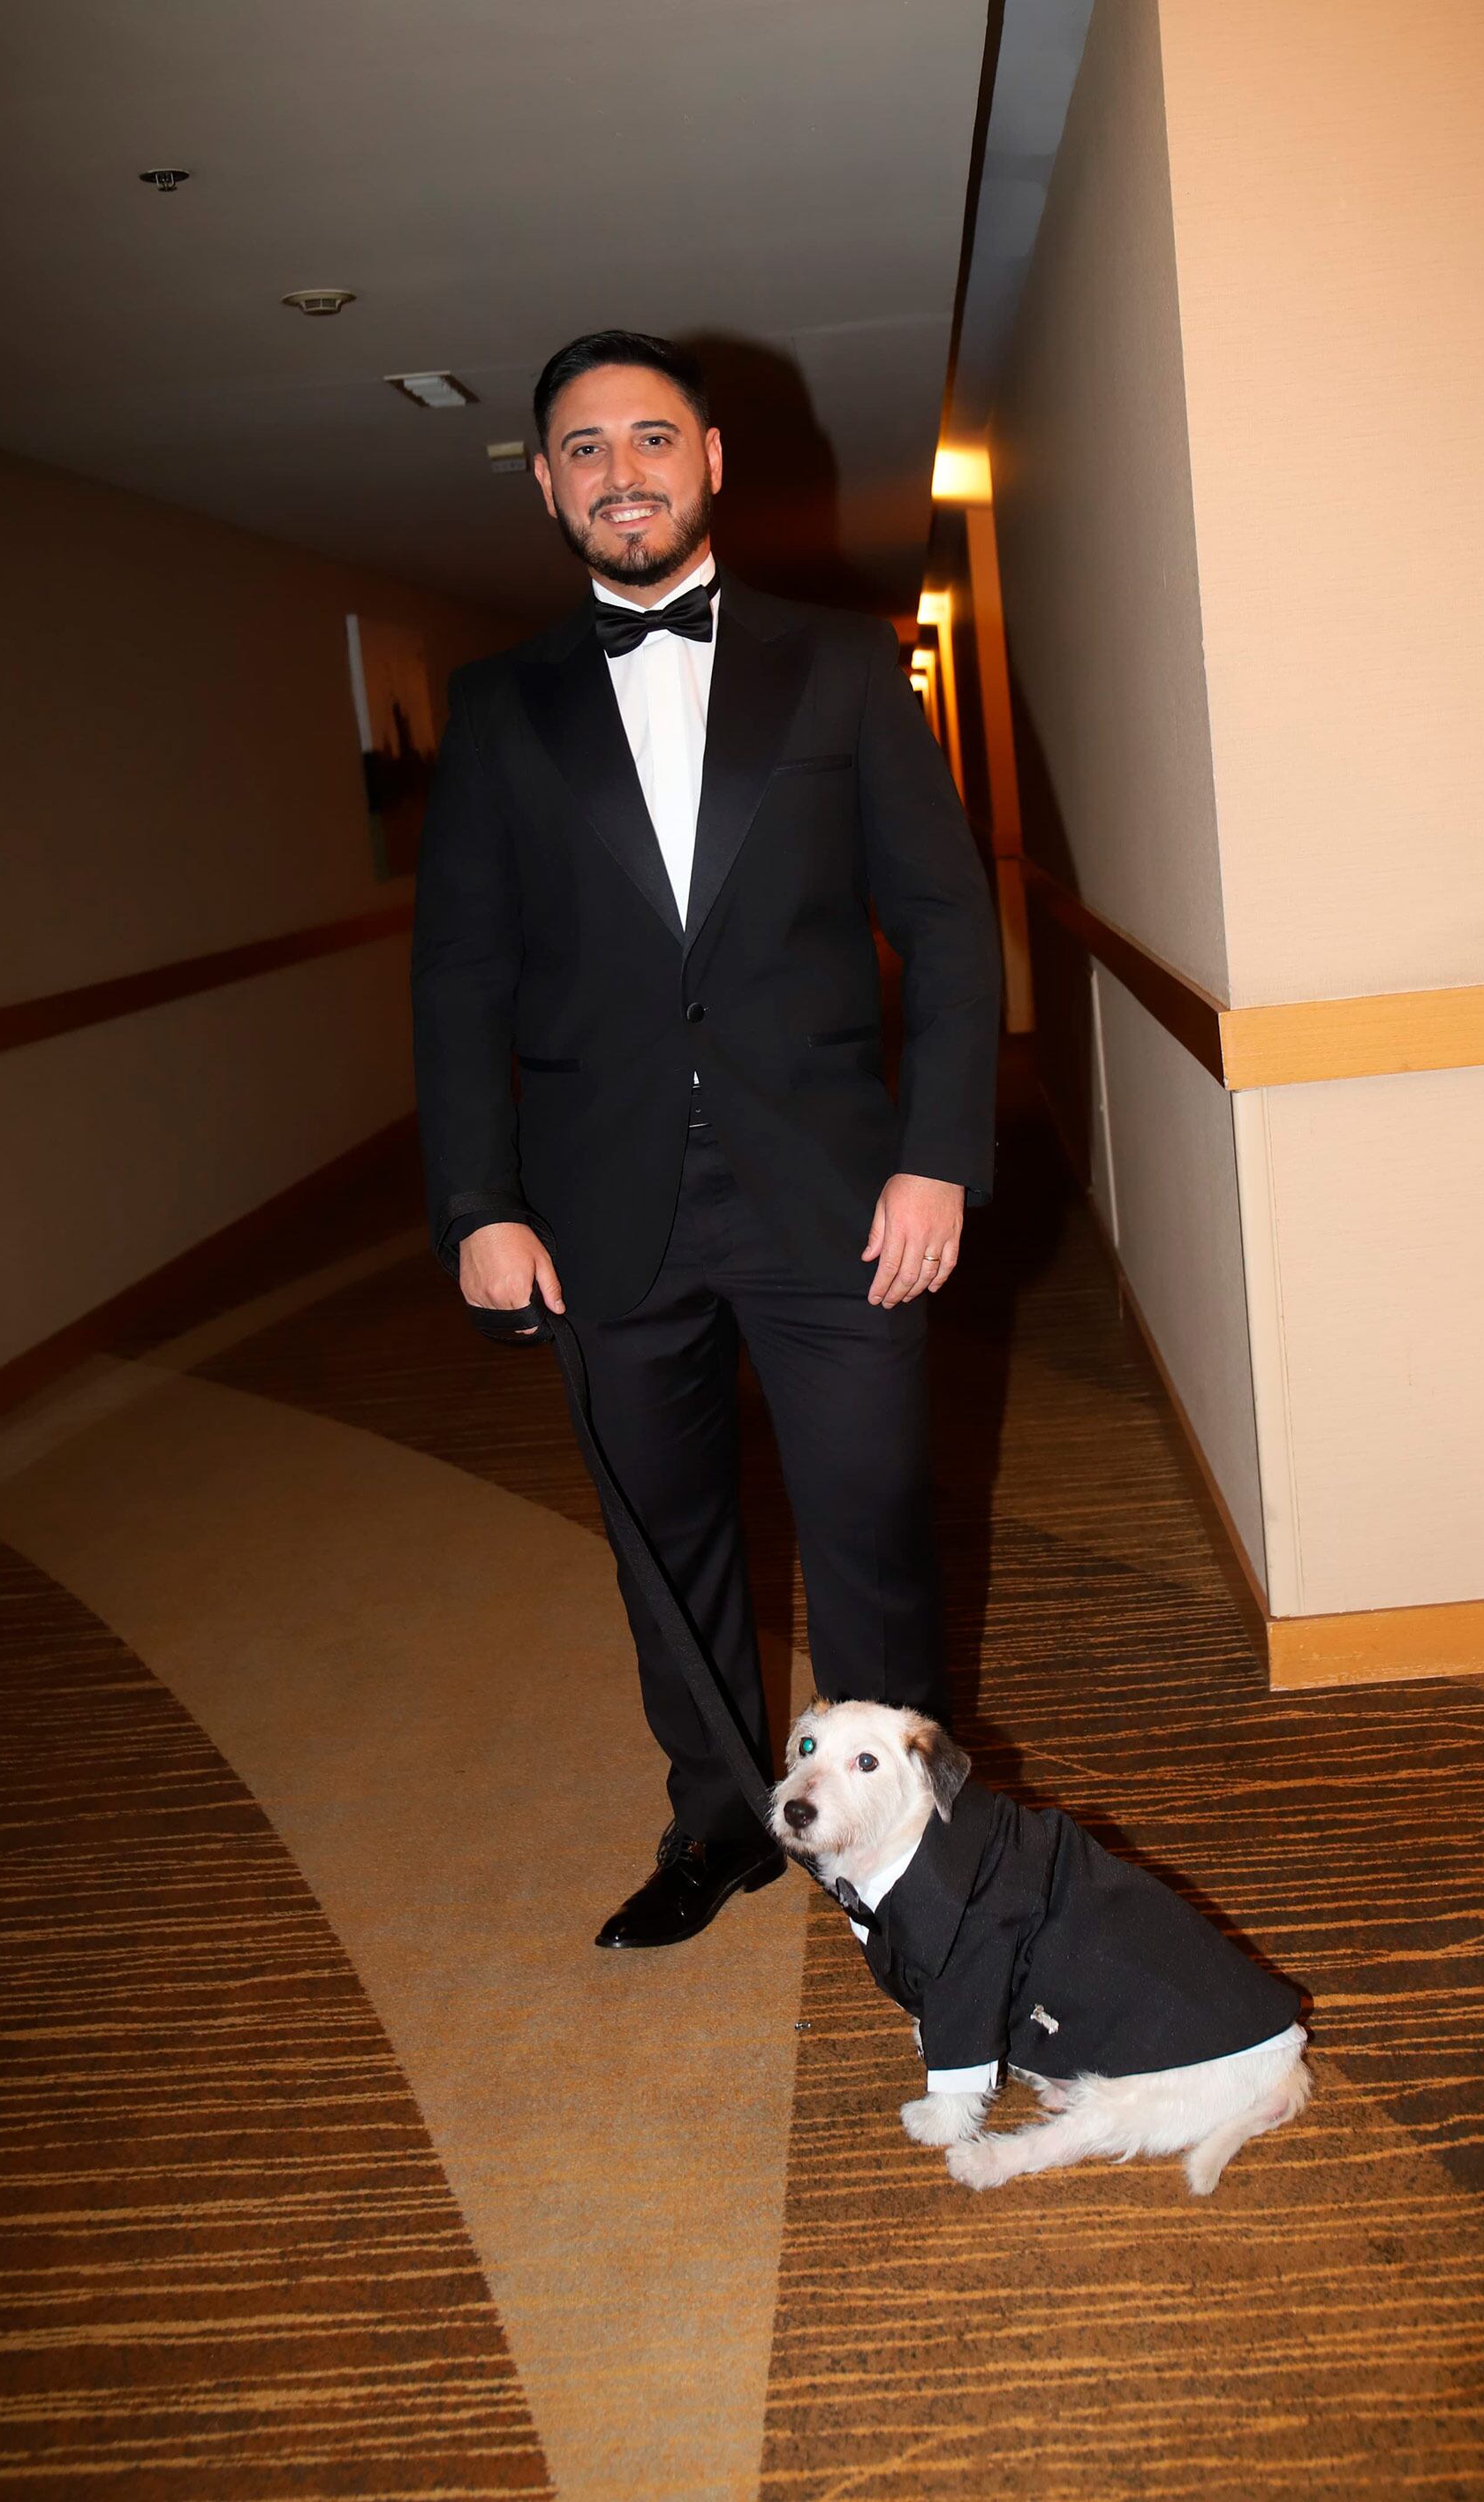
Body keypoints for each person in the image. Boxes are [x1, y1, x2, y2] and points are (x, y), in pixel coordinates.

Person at [412, 330, 1001, 1949]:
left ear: (712, 459)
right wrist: (478, 1196)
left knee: (872, 1529)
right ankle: (724, 1821)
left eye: (650, 440)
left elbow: (945, 927)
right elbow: (460, 972)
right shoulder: (500, 703)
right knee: (664, 1550)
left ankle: (918, 1862)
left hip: (837, 1197)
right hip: (602, 1213)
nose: (622, 473)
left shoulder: (838, 662)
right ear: (544, 481)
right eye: (585, 449)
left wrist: (938, 1152)